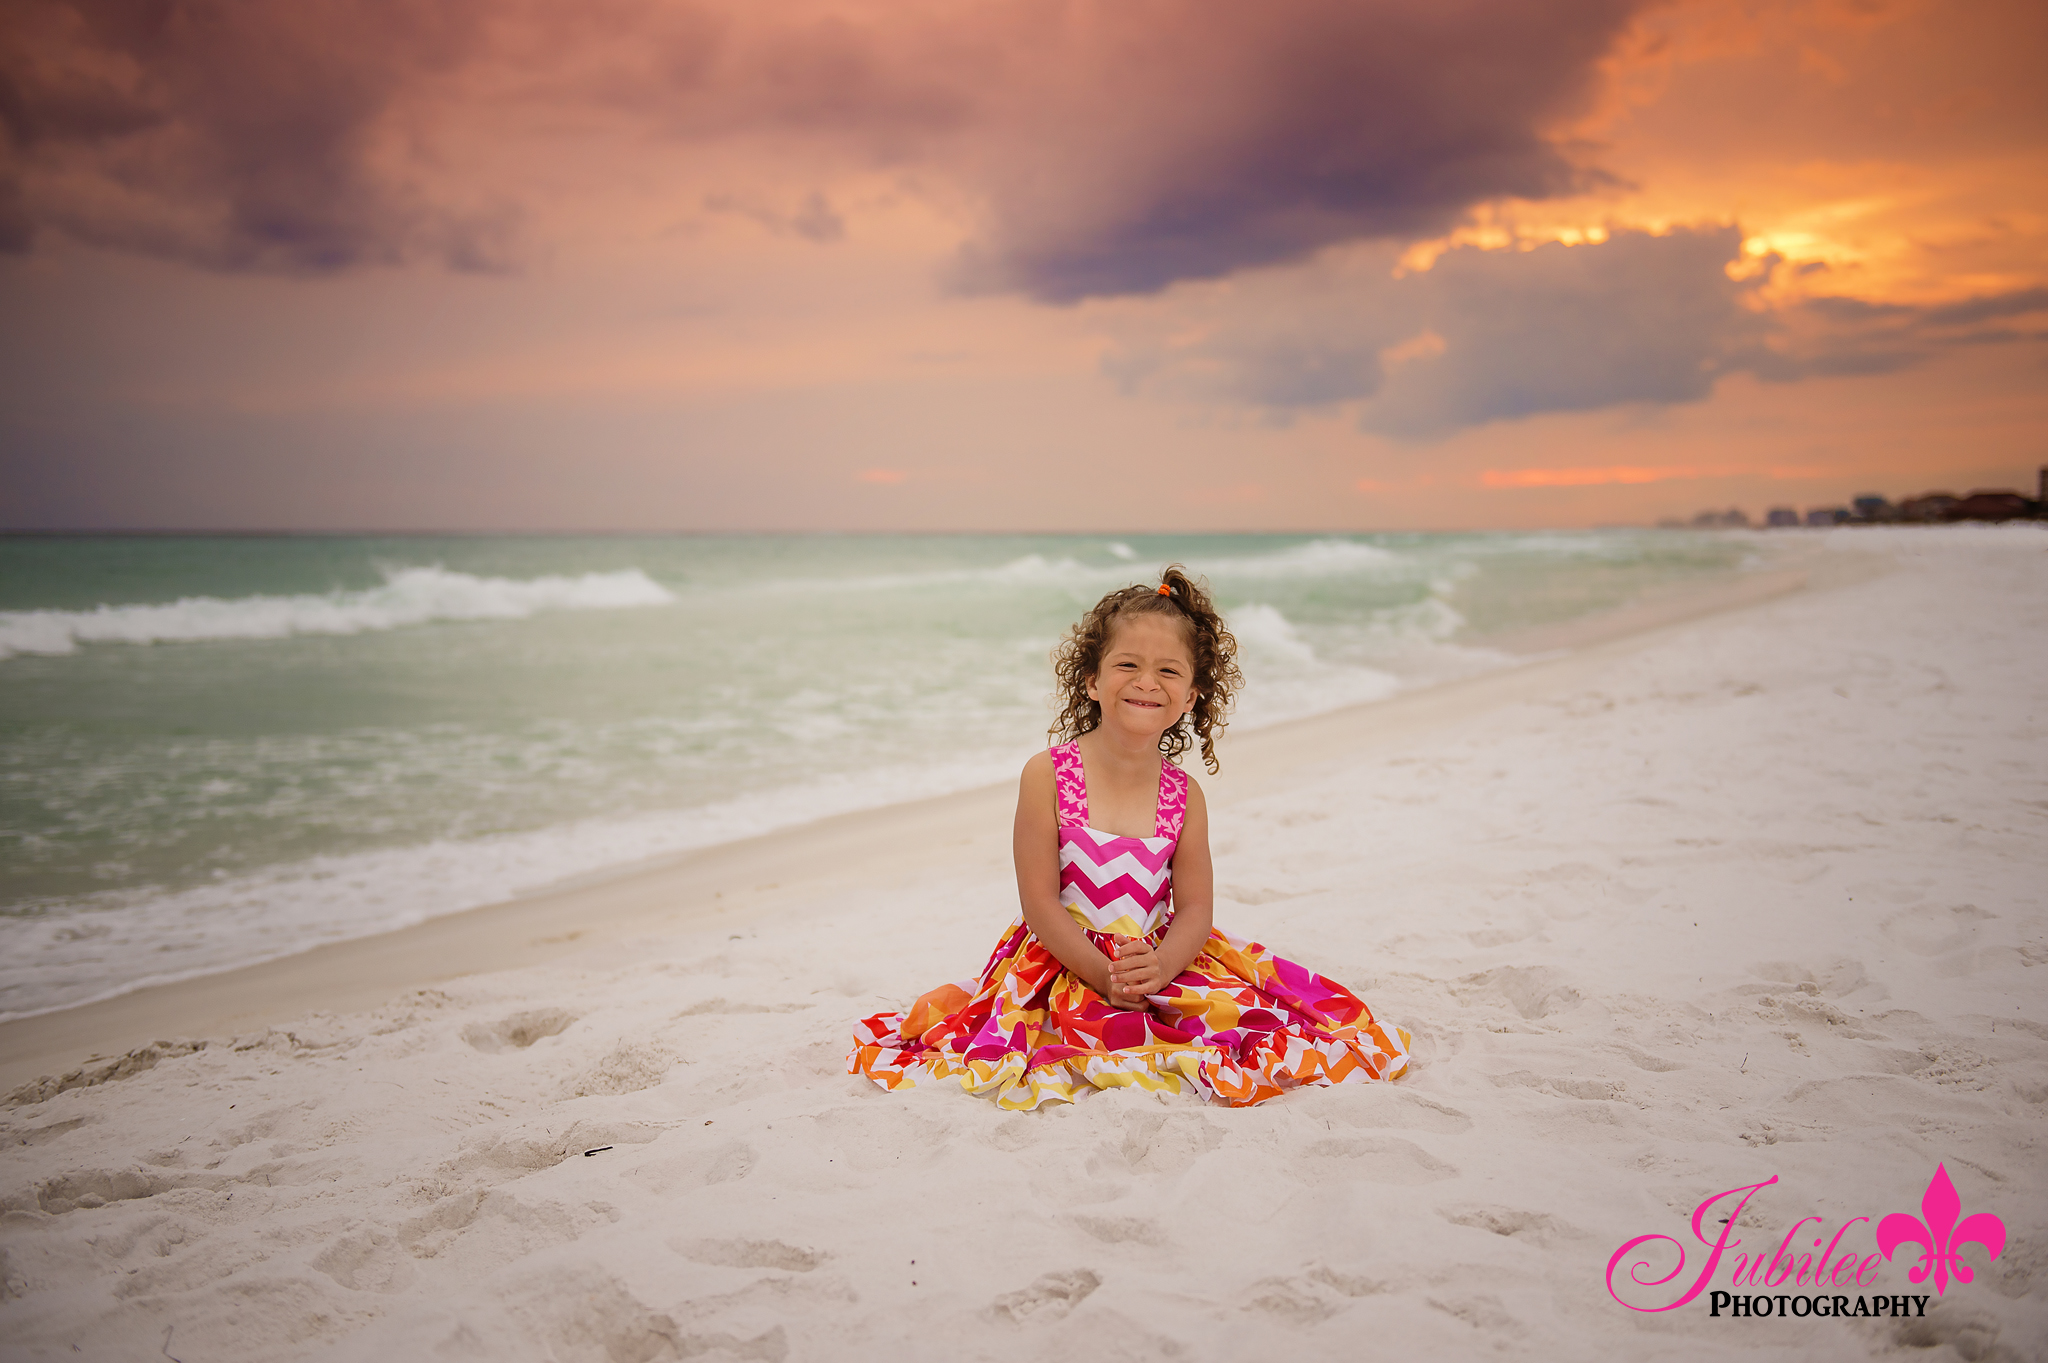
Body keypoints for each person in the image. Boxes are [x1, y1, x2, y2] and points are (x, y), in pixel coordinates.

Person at [849, 565, 1411, 1109]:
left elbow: (1194, 907)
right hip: (1061, 957)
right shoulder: (1047, 773)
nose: (1146, 682)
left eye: (1169, 671)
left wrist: (1162, 968)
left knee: (1251, 1026)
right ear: (1091, 679)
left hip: (1156, 957)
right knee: (1038, 1045)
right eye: (1127, 665)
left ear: (1191, 697)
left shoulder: (1184, 794)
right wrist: (1102, 975)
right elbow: (1039, 903)